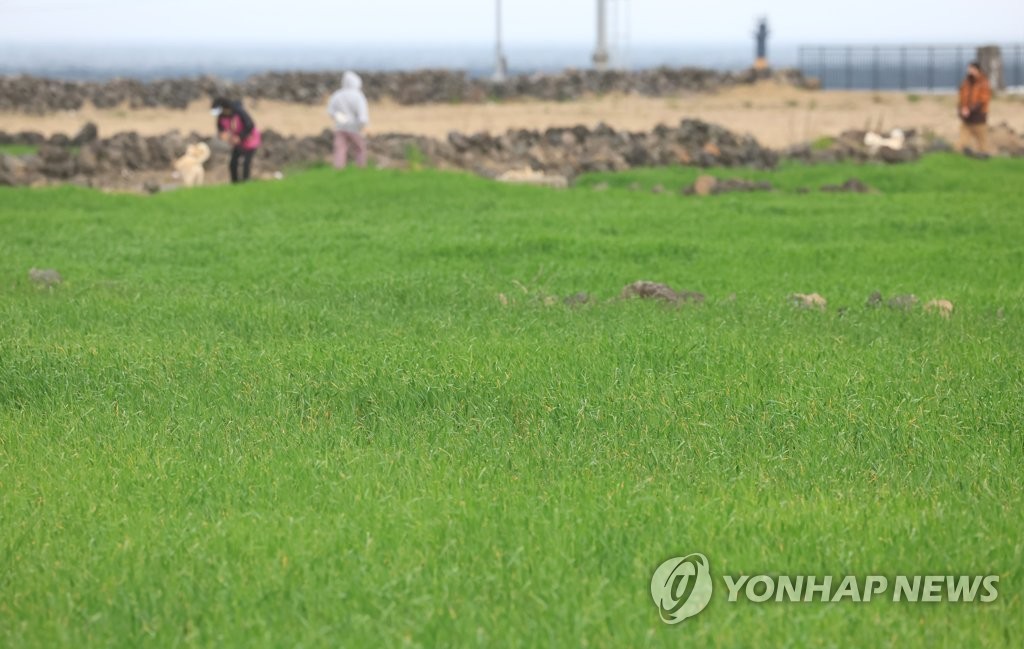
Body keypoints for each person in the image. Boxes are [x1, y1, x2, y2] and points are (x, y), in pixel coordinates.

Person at [211, 97, 261, 183]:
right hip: (236, 142)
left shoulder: (239, 111)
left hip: (250, 139)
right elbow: (221, 129)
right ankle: (235, 183)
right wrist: (222, 135)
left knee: (246, 163)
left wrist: (240, 137)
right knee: (233, 163)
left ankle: (246, 182)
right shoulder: (221, 116)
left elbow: (250, 125)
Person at [327, 71, 370, 169]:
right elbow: (362, 115)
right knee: (359, 148)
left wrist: (340, 119)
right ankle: (361, 168)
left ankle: (339, 169)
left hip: (340, 127)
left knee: (340, 149)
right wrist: (362, 125)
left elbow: (331, 111)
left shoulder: (337, 95)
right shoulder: (358, 96)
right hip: (354, 128)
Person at [957, 62, 992, 155]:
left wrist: (970, 110)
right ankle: (966, 154)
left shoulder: (984, 82)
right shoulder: (965, 83)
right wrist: (961, 110)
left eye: (972, 69)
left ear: (978, 70)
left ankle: (984, 155)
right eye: (969, 69)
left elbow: (983, 100)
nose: (970, 71)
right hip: (966, 118)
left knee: (982, 141)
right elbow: (961, 98)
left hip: (978, 117)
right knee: (962, 142)